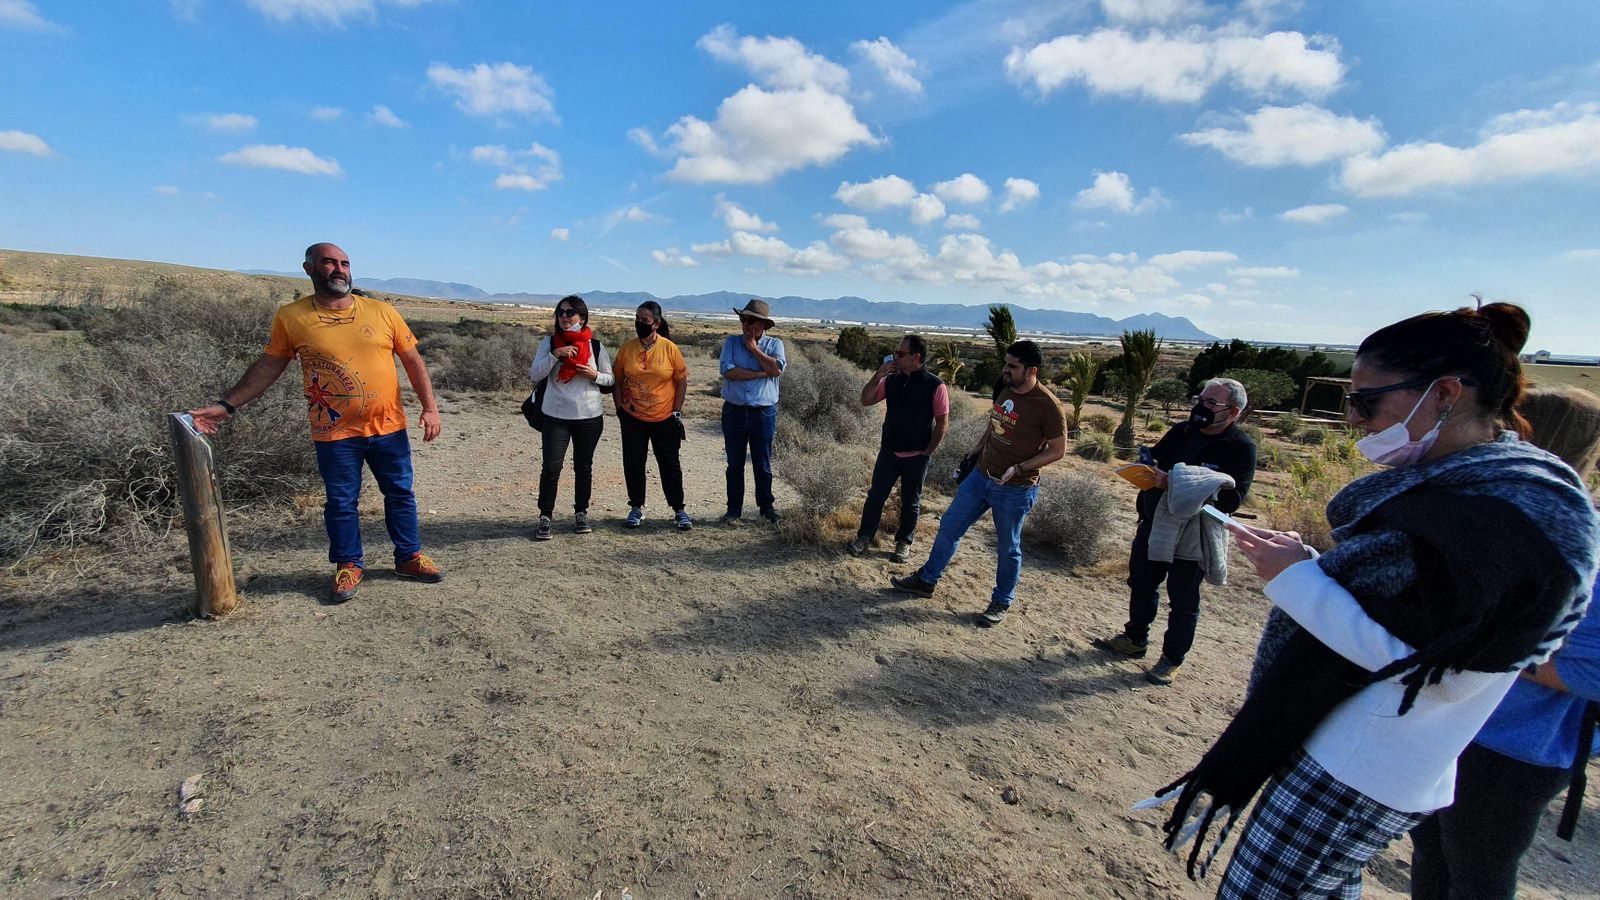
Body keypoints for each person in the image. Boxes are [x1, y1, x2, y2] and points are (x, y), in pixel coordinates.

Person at [1150, 303, 1599, 899]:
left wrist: (1298, 583)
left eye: (1367, 401)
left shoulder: (1511, 519)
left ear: (1443, 393)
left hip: (1365, 760)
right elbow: (1410, 618)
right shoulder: (1474, 493)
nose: (1355, 418)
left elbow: (1444, 671)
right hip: (1365, 747)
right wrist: (1311, 570)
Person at [1408, 384, 1600, 900]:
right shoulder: (1495, 516)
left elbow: (1591, 674)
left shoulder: (1582, 539)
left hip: (1514, 751)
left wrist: (1484, 646)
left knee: (1477, 876)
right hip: (1450, 724)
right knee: (1430, 857)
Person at [188, 242, 445, 603]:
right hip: (334, 432)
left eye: (344, 263)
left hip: (388, 427)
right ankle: (348, 565)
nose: (339, 269)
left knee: (400, 494)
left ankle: (409, 556)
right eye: (329, 262)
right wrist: (227, 405)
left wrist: (430, 408)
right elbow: (269, 365)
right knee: (341, 501)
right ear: (309, 268)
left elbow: (413, 361)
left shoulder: (382, 312)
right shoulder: (291, 317)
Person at [889, 340, 1066, 628]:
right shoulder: (1006, 386)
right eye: (1005, 363)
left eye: (1012, 366)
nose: (1005, 370)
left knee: (1008, 547)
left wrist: (1020, 468)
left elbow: (1058, 450)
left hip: (1015, 487)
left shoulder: (1048, 406)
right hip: (981, 476)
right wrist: (977, 448)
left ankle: (1001, 601)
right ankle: (927, 580)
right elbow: (996, 422)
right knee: (949, 526)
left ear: (1031, 370)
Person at [1093, 378, 1257, 685]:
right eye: (1201, 399)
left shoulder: (1240, 448)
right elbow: (1157, 461)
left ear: (1233, 412)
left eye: (1211, 403)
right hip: (1154, 523)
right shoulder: (1182, 431)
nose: (1201, 408)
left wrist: (1177, 483)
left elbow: (1233, 498)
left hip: (1191, 537)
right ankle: (1135, 639)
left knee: (1183, 600)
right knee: (1141, 583)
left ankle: (1172, 659)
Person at [847, 334, 949, 563]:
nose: (895, 357)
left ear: (917, 357)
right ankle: (864, 537)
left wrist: (927, 453)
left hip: (917, 455)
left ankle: (904, 542)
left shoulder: (935, 386)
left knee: (910, 502)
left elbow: (942, 424)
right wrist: (877, 375)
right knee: (875, 496)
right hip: (889, 452)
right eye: (895, 353)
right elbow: (865, 400)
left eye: (900, 354)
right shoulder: (891, 380)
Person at [528, 295, 614, 540]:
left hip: (589, 416)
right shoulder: (548, 343)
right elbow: (534, 374)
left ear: (582, 317)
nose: (564, 317)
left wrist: (593, 374)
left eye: (570, 312)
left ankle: (581, 513)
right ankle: (545, 516)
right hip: (555, 416)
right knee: (552, 467)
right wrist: (556, 354)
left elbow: (610, 379)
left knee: (583, 467)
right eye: (561, 312)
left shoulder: (595, 347)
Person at [613, 301, 691, 531]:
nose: (639, 323)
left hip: (665, 417)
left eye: (644, 320)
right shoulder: (627, 350)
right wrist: (619, 408)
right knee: (634, 463)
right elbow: (617, 379)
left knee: (670, 464)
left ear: (656, 324)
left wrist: (676, 411)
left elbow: (681, 380)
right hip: (632, 417)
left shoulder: (669, 349)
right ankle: (636, 507)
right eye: (637, 319)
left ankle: (679, 510)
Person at [718, 299, 786, 525]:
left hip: (763, 414)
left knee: (762, 463)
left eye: (751, 321)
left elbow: (776, 369)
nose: (745, 325)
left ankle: (766, 508)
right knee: (734, 463)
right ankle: (733, 510)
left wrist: (754, 349)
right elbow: (728, 372)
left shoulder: (775, 345)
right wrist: (760, 373)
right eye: (743, 320)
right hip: (734, 412)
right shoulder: (731, 342)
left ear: (763, 325)